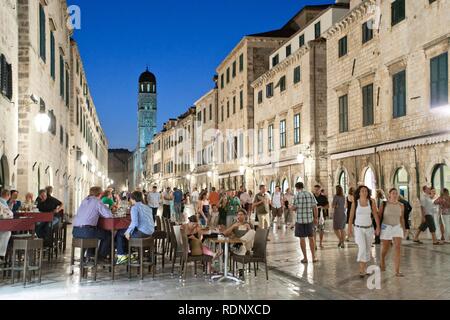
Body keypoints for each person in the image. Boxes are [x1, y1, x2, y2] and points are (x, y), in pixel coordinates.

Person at [348, 185, 381, 277]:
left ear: (368, 192)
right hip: (358, 228)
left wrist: (378, 227)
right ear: (359, 193)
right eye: (362, 191)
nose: (364, 192)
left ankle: (365, 268)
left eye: (366, 191)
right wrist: (349, 228)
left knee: (367, 249)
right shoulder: (356, 202)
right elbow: (351, 216)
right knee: (362, 248)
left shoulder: (371, 202)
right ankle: (361, 269)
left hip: (369, 228)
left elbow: (375, 214)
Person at [72, 187, 113, 259]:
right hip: (86, 231)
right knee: (107, 234)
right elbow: (108, 215)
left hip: (75, 231)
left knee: (95, 231)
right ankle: (100, 257)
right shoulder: (97, 201)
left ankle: (90, 254)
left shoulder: (84, 200)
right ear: (100, 194)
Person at [115, 191, 155, 265]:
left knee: (120, 233)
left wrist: (127, 232)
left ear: (132, 199)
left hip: (142, 233)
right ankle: (129, 254)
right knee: (127, 233)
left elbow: (135, 223)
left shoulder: (134, 207)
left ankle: (121, 256)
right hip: (151, 233)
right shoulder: (147, 207)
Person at [379, 188, 405, 277]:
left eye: (396, 193)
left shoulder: (401, 205)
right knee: (386, 247)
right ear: (389, 195)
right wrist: (378, 228)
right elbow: (379, 216)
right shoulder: (384, 204)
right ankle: (382, 258)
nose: (395, 195)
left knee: (397, 248)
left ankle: (397, 271)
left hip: (397, 227)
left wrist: (404, 229)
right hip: (386, 226)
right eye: (393, 193)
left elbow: (402, 218)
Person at [290, 182, 318, 264]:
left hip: (300, 221)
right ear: (303, 187)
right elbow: (315, 207)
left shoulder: (296, 196)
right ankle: (313, 257)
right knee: (311, 238)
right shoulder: (310, 194)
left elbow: (294, 208)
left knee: (302, 239)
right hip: (309, 220)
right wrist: (316, 218)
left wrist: (291, 208)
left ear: (296, 188)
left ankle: (305, 258)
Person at [313, 185, 329, 249]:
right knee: (313, 230)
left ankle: (320, 243)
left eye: (317, 190)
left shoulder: (323, 197)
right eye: (315, 189)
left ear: (320, 190)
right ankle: (314, 244)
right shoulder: (312, 197)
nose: (316, 191)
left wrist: (322, 207)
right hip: (313, 216)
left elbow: (327, 206)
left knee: (321, 230)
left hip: (321, 216)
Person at [0, 190, 13, 264]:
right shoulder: (2, 202)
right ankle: (1, 255)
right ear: (8, 195)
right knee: (7, 233)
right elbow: (8, 214)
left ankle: (2, 254)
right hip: (3, 224)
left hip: (3, 224)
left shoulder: (3, 203)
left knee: (6, 232)